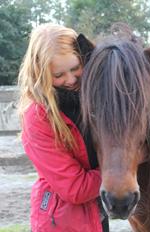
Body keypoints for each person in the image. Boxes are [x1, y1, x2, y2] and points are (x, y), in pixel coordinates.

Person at [18, 23, 108, 232]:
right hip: (60, 222)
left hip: (94, 215)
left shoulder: (93, 100)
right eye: (58, 75)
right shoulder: (38, 117)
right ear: (40, 74)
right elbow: (75, 188)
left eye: (75, 68)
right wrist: (121, 170)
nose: (70, 80)